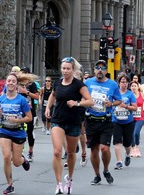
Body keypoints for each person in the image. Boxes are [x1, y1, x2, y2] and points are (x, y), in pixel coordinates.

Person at [45, 57, 93, 195]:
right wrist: (48, 107)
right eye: (63, 68)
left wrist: (77, 103)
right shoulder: (58, 83)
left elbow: (90, 101)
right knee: (57, 152)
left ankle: (69, 179)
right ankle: (59, 183)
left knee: (71, 153)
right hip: (58, 120)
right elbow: (53, 95)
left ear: (73, 70)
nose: (65, 71)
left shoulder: (79, 85)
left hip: (73, 121)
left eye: (68, 69)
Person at [84, 60, 122, 186]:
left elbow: (118, 100)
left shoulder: (112, 84)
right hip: (91, 120)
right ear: (94, 70)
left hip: (106, 121)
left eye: (103, 68)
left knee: (104, 149)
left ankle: (106, 170)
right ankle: (97, 175)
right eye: (97, 67)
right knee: (94, 150)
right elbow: (82, 97)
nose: (100, 70)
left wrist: (111, 103)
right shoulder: (88, 82)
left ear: (106, 71)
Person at [0, 73, 32, 194]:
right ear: (6, 83)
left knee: (16, 162)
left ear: (17, 84)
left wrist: (17, 120)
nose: (11, 83)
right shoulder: (1, 99)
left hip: (18, 132)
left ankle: (23, 160)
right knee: (7, 156)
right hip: (4, 130)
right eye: (9, 81)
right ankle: (9, 184)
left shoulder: (22, 100)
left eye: (13, 81)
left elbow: (29, 117)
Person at [112, 74, 137, 170]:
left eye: (126, 82)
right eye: (122, 82)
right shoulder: (115, 93)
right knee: (117, 142)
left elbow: (134, 108)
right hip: (116, 121)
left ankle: (127, 155)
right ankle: (119, 162)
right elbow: (110, 104)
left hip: (128, 122)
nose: (124, 84)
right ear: (118, 83)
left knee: (127, 143)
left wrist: (126, 106)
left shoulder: (130, 94)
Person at [18, 67, 40, 162]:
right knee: (19, 131)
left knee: (29, 132)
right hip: (19, 111)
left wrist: (26, 92)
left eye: (25, 73)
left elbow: (37, 96)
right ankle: (19, 152)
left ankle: (30, 151)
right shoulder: (17, 83)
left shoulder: (32, 84)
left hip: (30, 111)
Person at [129, 81, 144, 157]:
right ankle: (133, 148)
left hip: (140, 117)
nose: (133, 87)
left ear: (138, 87)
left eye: (135, 86)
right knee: (131, 134)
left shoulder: (142, 95)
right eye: (132, 86)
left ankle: (137, 147)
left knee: (136, 133)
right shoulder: (129, 95)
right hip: (130, 117)